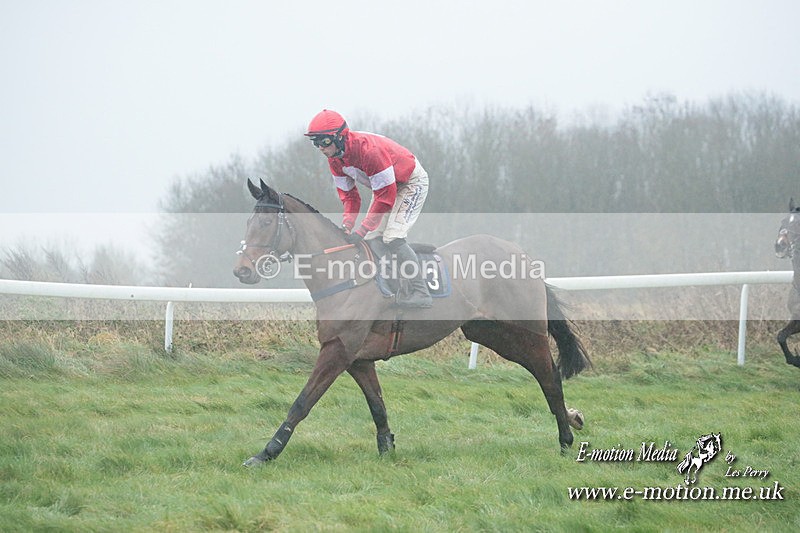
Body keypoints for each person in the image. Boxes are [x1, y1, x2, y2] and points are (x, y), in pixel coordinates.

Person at [304, 109, 432, 308]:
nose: (320, 147)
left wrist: (362, 229)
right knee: (374, 240)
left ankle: (421, 291)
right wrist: (347, 225)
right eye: (315, 142)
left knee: (393, 237)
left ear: (339, 137)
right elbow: (350, 197)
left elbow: (385, 198)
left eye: (324, 141)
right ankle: (392, 284)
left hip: (410, 183)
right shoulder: (335, 161)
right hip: (385, 187)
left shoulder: (368, 151)